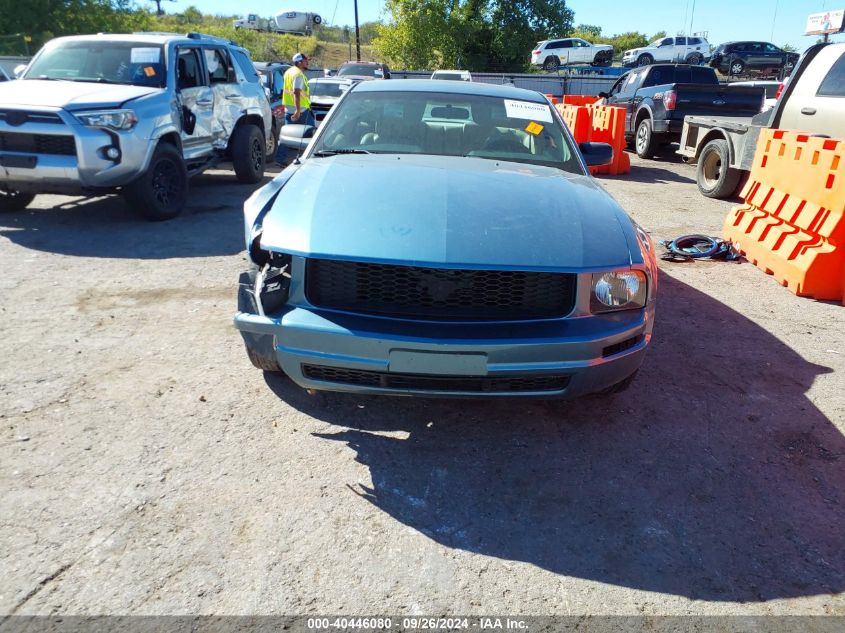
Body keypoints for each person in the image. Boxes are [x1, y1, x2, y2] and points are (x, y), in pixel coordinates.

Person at [276, 52, 315, 165]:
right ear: (299, 62)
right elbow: (296, 92)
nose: (307, 62)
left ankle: (280, 159)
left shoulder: (289, 72)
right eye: (305, 60)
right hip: (301, 111)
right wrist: (298, 110)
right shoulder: (298, 74)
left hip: (289, 109)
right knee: (311, 135)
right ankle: (311, 159)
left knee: (287, 136)